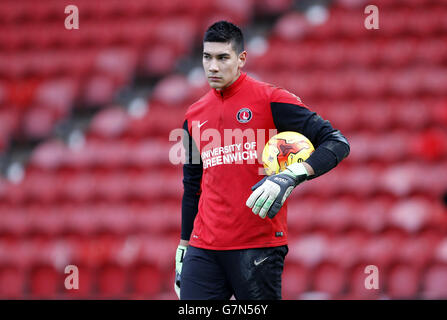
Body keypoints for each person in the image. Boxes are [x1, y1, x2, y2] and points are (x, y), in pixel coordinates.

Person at [174, 21, 350, 300]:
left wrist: (292, 174)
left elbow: (337, 143)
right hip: (203, 248)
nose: (213, 66)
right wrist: (184, 245)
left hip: (257, 247)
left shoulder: (271, 99)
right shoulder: (193, 115)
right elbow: (192, 185)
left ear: (241, 59)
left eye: (223, 57)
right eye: (207, 57)